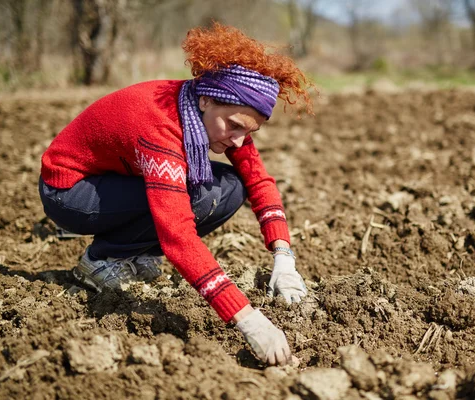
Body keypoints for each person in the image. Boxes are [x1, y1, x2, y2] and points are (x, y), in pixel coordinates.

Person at [38, 23, 313, 366]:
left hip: (115, 179)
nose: (240, 140)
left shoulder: (216, 112)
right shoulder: (161, 127)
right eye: (235, 126)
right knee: (193, 193)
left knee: (230, 186)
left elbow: (258, 180)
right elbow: (178, 235)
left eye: (250, 130)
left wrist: (283, 257)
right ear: (207, 98)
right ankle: (101, 261)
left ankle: (130, 253)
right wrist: (248, 320)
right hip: (69, 192)